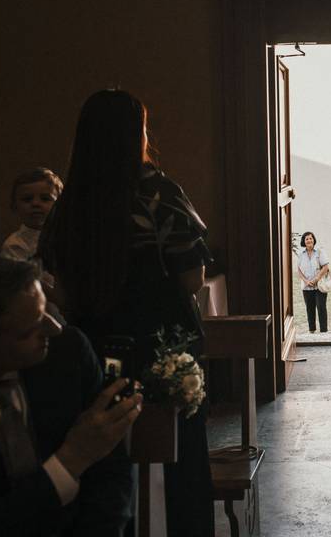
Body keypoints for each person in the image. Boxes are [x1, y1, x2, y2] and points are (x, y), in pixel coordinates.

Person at [39, 89, 214, 536]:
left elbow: (56, 288)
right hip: (160, 345)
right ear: (136, 133)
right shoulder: (158, 193)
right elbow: (192, 279)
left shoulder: (68, 203)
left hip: (92, 351)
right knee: (179, 466)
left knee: (105, 466)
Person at [0, 250, 139, 536]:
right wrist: (69, 462)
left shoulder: (68, 355)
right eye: (30, 329)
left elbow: (111, 477)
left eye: (46, 311)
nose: (53, 329)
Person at [1, 167, 64, 269]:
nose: (35, 204)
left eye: (45, 199)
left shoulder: (66, 236)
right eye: (27, 199)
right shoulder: (15, 245)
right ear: (14, 206)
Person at [296, 231, 330, 333]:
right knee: (309, 309)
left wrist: (316, 279)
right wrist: (306, 281)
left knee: (321, 308)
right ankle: (312, 331)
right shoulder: (301, 254)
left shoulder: (319, 251)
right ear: (304, 241)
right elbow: (299, 270)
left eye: (311, 238)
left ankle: (324, 331)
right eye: (307, 239)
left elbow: (325, 267)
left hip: (319, 286)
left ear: (314, 240)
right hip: (307, 287)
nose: (309, 240)